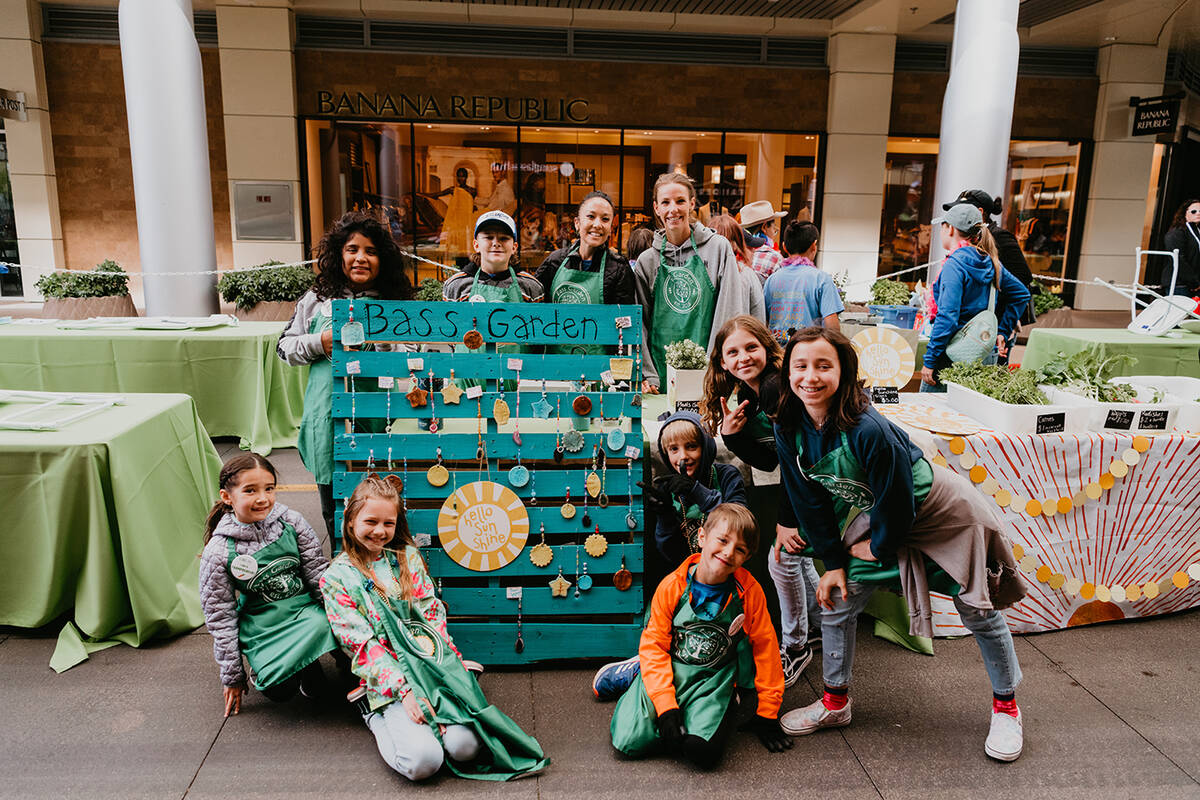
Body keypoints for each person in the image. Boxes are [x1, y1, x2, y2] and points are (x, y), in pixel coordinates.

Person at [772, 328, 1029, 762]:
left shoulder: (867, 427)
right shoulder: (790, 426)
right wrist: (832, 562)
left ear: (844, 372)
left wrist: (876, 548)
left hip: (942, 516)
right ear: (789, 372)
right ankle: (836, 704)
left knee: (977, 611)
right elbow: (807, 500)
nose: (810, 377)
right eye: (801, 366)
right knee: (838, 601)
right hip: (886, 519)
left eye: (823, 366)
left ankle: (1007, 708)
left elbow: (895, 499)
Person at [320, 474, 549, 781]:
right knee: (423, 764)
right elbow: (360, 644)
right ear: (350, 522)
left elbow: (432, 616)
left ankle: (433, 721)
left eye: (388, 523)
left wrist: (448, 665)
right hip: (389, 677)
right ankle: (373, 714)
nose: (379, 531)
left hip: (430, 665)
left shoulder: (407, 558)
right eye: (370, 521)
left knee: (465, 748)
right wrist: (407, 692)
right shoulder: (336, 579)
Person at [600, 504, 792, 766]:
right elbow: (656, 645)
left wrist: (768, 712)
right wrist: (666, 708)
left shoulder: (749, 592)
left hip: (713, 676)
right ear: (701, 537)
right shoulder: (671, 586)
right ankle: (638, 673)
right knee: (628, 741)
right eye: (723, 540)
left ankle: (727, 700)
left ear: (746, 557)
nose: (728, 552)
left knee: (701, 752)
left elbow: (766, 647)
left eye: (740, 549)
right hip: (670, 664)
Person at [699, 315, 821, 686]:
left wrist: (787, 519)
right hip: (808, 480)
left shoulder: (772, 387)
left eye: (751, 347)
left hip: (814, 479)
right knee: (798, 561)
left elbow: (795, 455)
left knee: (782, 559)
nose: (743, 357)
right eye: (732, 352)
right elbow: (772, 459)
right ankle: (820, 624)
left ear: (767, 348)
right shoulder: (751, 395)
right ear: (722, 361)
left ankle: (796, 645)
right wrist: (732, 436)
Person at [278, 211, 412, 538]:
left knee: (380, 498)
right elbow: (284, 347)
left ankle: (380, 561)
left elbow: (414, 357)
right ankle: (340, 562)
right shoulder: (316, 299)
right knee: (332, 499)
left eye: (370, 251)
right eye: (352, 249)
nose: (360, 258)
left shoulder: (394, 303)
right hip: (325, 414)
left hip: (379, 414)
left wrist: (385, 344)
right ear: (339, 254)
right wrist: (319, 341)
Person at [198, 454, 341, 717]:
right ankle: (274, 667)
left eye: (269, 488)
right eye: (250, 490)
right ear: (227, 496)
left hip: (303, 612)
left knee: (330, 628)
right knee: (280, 692)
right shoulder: (218, 550)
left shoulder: (292, 522)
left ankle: (313, 666)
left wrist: (346, 620)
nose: (262, 498)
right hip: (263, 624)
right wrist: (232, 675)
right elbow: (220, 616)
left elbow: (317, 573)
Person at [634, 173, 753, 393]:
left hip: (710, 375)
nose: (673, 209)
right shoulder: (647, 261)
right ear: (656, 208)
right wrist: (649, 375)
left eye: (680, 201)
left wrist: (716, 368)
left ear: (691, 203)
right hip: (659, 378)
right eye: (665, 202)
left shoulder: (718, 248)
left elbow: (730, 312)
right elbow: (640, 325)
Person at [921, 203, 1030, 392]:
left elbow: (947, 316)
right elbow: (1021, 294)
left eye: (943, 227)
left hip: (949, 355)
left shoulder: (954, 266)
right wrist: (1002, 330)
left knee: (931, 414)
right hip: (982, 352)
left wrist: (930, 360)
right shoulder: (991, 262)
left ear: (951, 229)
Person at [534, 190, 637, 354]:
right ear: (577, 223)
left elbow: (624, 325)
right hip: (554, 368)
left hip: (599, 370)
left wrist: (619, 374)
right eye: (591, 216)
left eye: (605, 219)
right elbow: (535, 314)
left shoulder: (618, 268)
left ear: (611, 227)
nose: (597, 224)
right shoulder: (554, 262)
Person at [643, 411, 747, 568]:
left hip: (726, 569)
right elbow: (669, 553)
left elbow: (740, 525)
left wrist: (696, 491)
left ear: (705, 446)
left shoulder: (727, 476)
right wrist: (665, 517)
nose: (683, 456)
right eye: (674, 449)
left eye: (691, 446)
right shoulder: (668, 489)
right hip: (685, 573)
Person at [943, 188, 1035, 327]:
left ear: (980, 212)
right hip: (972, 322)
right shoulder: (968, 240)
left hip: (993, 320)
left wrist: (1003, 322)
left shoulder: (1000, 237)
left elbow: (1023, 277)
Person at [763, 220, 843, 342]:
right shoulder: (821, 279)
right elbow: (832, 326)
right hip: (809, 352)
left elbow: (764, 321)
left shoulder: (772, 280)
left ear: (784, 247)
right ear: (814, 246)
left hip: (778, 354)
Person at [709, 214, 766, 322]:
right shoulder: (746, 274)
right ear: (738, 242)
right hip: (738, 335)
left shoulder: (700, 272)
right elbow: (759, 318)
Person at [739, 200, 787, 283]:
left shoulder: (735, 252)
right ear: (764, 227)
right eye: (773, 227)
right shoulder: (774, 258)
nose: (774, 232)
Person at [1162, 198, 1200, 296]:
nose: (1198, 213)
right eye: (1193, 211)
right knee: (1180, 311)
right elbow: (1178, 259)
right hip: (1179, 284)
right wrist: (1193, 281)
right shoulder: (1177, 232)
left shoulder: (1196, 231)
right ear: (1184, 213)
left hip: (1191, 284)